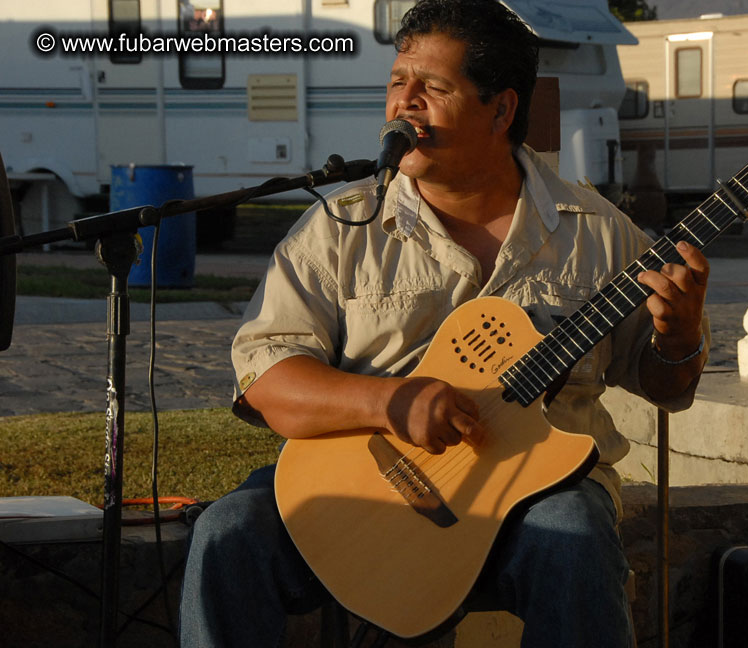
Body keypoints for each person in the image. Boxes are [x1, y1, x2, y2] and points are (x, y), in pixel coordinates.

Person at [179, 1, 709, 646]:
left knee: (574, 535)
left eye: (433, 88)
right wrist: (391, 399)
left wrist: (678, 336)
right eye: (398, 82)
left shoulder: (598, 234)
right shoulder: (342, 227)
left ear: (501, 109)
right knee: (228, 532)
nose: (405, 103)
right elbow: (267, 382)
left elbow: (664, 386)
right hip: (366, 483)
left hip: (537, 495)